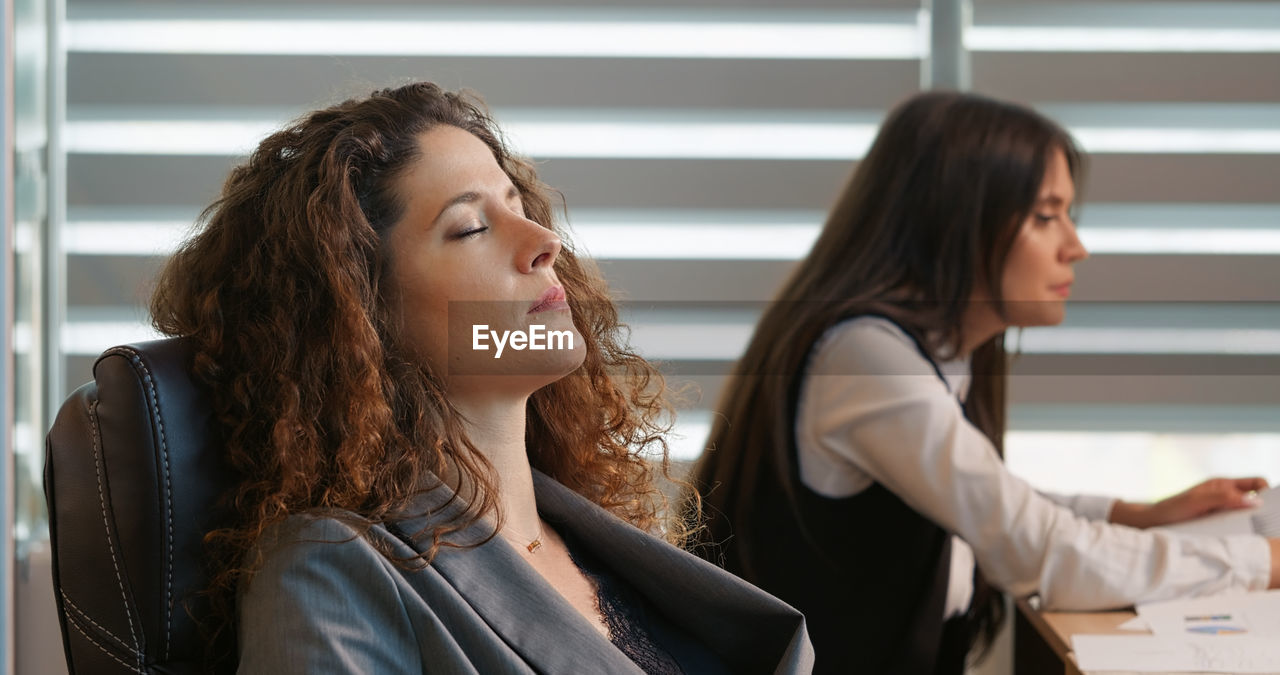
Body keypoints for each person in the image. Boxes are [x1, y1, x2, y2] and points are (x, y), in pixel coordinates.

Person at [149, 81, 812, 674]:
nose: (543, 242)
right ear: (359, 315)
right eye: (469, 227)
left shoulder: (598, 542)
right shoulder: (331, 569)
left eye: (519, 204)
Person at [685, 90, 1280, 675]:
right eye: (1046, 216)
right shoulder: (866, 358)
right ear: (956, 218)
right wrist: (1261, 560)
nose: (1076, 247)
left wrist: (1132, 514)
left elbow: (989, 497)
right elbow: (1039, 552)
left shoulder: (938, 351)